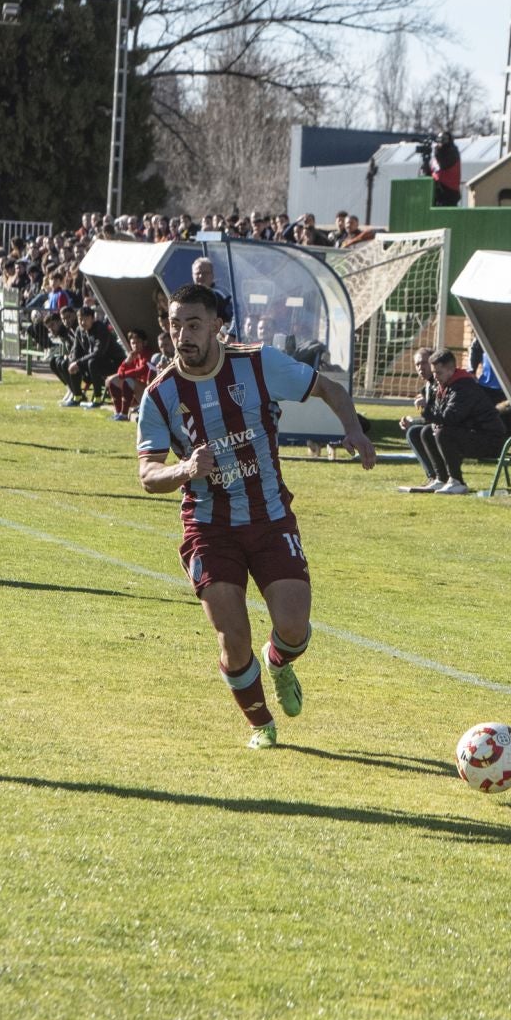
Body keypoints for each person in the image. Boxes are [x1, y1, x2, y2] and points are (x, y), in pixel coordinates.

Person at [136, 283, 376, 749]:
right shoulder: (161, 393)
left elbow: (327, 387)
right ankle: (261, 725)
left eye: (193, 324)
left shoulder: (258, 363)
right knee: (232, 633)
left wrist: (353, 430)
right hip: (209, 526)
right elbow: (147, 474)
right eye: (174, 324)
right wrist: (184, 469)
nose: (182, 334)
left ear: (216, 326)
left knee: (292, 626)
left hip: (269, 518)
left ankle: (279, 662)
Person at [406, 349, 506, 495]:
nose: (435, 377)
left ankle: (457, 481)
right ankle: (441, 479)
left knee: (443, 433)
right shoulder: (445, 385)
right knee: (427, 431)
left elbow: (450, 417)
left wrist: (427, 408)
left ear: (451, 370)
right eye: (434, 372)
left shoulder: (464, 387)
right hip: (472, 434)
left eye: (438, 373)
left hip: (489, 439)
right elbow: (440, 416)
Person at [69, 304, 123, 406]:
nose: (82, 322)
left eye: (85, 319)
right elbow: (76, 350)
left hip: (113, 363)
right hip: (94, 362)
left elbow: (98, 353)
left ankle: (97, 398)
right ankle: (77, 396)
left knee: (92, 362)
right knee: (67, 363)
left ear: (93, 319)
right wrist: (73, 361)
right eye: (80, 319)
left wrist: (78, 362)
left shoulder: (101, 329)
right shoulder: (79, 330)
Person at [106, 329, 155, 420]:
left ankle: (124, 414)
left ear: (145, 342)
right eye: (133, 343)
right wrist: (126, 362)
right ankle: (118, 412)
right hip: (138, 392)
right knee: (114, 380)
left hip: (150, 393)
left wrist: (122, 375)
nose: (135, 345)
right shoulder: (134, 355)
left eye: (138, 342)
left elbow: (141, 370)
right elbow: (120, 372)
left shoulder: (148, 353)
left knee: (128, 380)